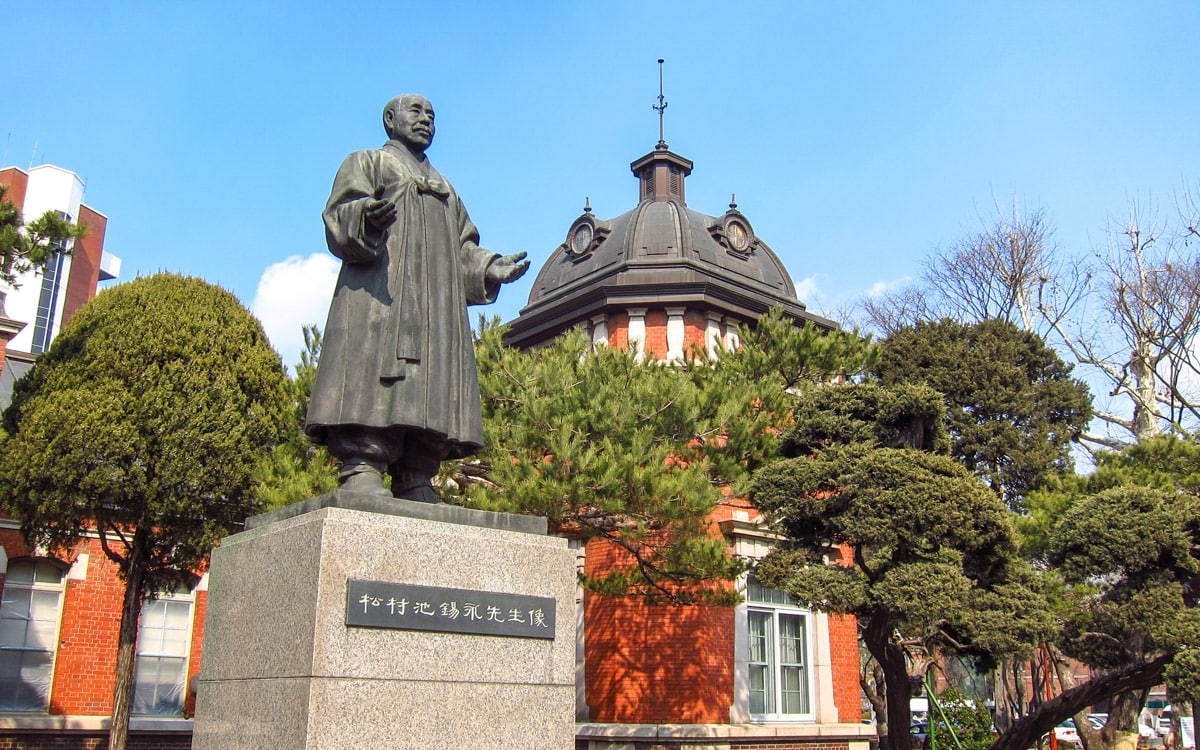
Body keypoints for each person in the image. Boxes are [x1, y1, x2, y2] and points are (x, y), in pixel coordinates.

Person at [305, 94, 529, 502]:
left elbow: (463, 245)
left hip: (435, 312)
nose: (426, 119)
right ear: (390, 120)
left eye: (432, 115)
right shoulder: (368, 162)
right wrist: (365, 217)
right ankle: (362, 468)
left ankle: (415, 475)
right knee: (372, 381)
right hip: (381, 299)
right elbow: (339, 215)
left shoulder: (445, 188)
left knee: (430, 389)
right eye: (416, 112)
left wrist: (487, 267)